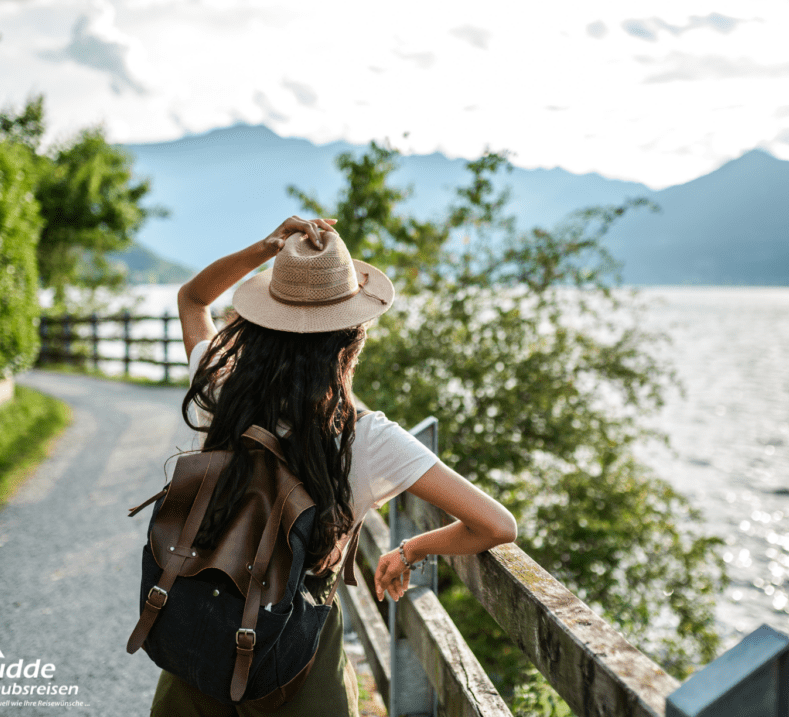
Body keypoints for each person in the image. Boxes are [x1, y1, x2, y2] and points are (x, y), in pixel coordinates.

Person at [151, 216, 517, 716]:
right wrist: (409, 550)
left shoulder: (218, 386)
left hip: (202, 625)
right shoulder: (365, 437)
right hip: (295, 653)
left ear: (260, 322)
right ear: (352, 338)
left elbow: (193, 298)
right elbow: (496, 525)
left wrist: (268, 247)